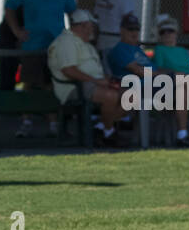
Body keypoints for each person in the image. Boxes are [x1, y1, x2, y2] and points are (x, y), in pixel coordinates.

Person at [4, 0, 77, 137]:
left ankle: (53, 124)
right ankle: (26, 122)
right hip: (32, 45)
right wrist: (16, 31)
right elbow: (10, 7)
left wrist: (73, 35)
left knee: (53, 83)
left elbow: (72, 11)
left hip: (56, 45)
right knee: (29, 83)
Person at [46, 9, 129, 147]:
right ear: (81, 26)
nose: (92, 29)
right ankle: (108, 133)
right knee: (110, 95)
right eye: (91, 26)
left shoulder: (87, 44)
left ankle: (100, 128)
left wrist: (108, 80)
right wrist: (97, 81)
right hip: (74, 87)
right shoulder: (66, 41)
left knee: (132, 96)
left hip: (94, 84)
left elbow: (97, 71)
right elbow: (69, 70)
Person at [143, 15, 189, 147]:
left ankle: (184, 135)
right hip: (168, 86)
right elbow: (160, 68)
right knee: (182, 84)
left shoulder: (182, 51)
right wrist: (177, 74)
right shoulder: (159, 50)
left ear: (176, 33)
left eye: (170, 31)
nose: (167, 34)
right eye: (163, 32)